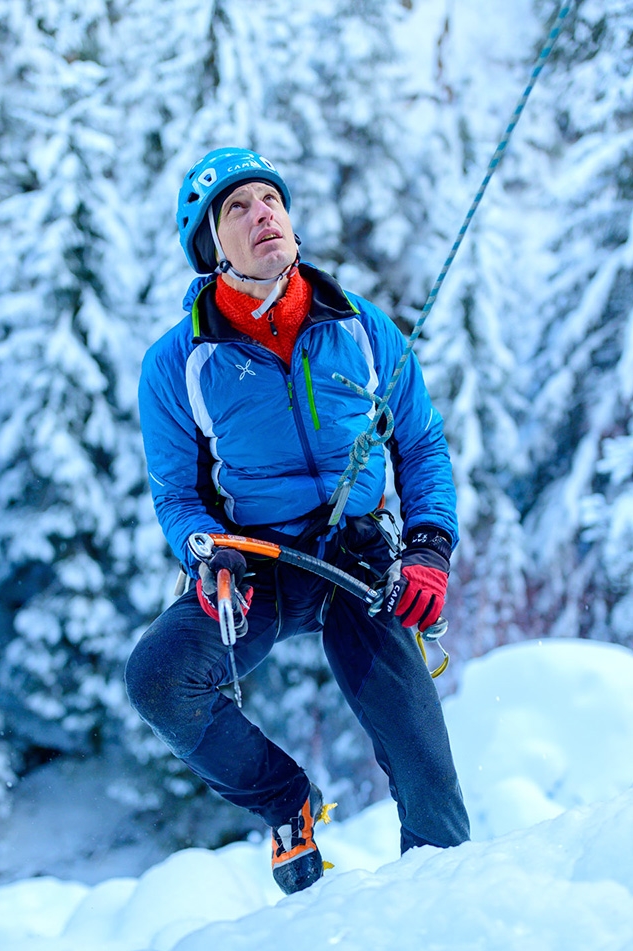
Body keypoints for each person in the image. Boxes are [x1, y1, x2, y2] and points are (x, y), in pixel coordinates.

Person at [125, 147, 470, 895]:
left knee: (430, 785)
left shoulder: (360, 326)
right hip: (256, 565)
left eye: (270, 200)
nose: (263, 215)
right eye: (239, 208)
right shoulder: (177, 362)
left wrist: (430, 547)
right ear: (210, 245)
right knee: (160, 679)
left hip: (358, 562)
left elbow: (420, 444)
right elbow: (175, 494)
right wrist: (205, 554)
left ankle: (435, 924)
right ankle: (287, 803)